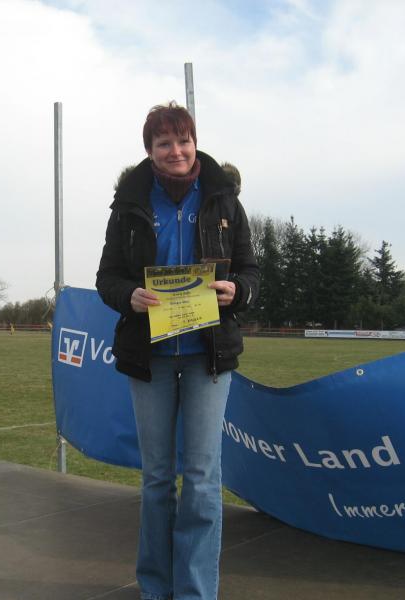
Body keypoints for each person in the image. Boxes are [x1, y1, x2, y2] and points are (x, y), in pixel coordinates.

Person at [96, 102, 260, 600]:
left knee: (203, 478)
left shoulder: (224, 200)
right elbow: (107, 277)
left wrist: (238, 290)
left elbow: (251, 271)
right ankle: (155, 588)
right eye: (163, 143)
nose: (176, 151)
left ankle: (195, 592)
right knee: (157, 479)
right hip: (150, 358)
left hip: (208, 355)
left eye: (183, 140)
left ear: (195, 142)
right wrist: (129, 295)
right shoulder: (128, 205)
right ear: (149, 150)